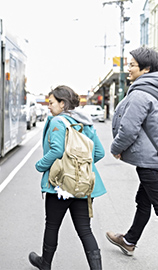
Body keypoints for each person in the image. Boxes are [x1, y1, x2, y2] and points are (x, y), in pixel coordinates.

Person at [29, 85, 106, 270]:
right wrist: (80, 167)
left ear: (62, 104)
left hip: (60, 186)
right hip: (83, 185)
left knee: (52, 225)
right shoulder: (86, 122)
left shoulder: (58, 122)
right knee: (85, 230)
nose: (49, 106)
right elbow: (99, 152)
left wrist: (40, 166)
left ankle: (45, 264)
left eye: (51, 102)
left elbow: (57, 150)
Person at [107, 47, 158, 256]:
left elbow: (129, 129)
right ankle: (129, 240)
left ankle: (129, 240)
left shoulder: (142, 93)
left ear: (146, 69)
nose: (128, 69)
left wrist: (116, 149)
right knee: (144, 201)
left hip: (152, 164)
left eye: (132, 65)